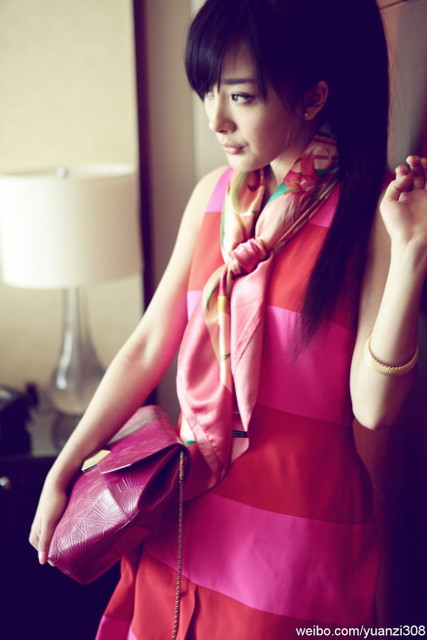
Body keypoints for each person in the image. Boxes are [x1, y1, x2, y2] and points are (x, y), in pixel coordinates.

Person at [30, 0, 427, 637]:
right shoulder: (212, 196)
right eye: (207, 91)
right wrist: (65, 466)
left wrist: (410, 255)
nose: (216, 119)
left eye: (239, 96)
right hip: (182, 521)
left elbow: (373, 409)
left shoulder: (369, 212)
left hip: (294, 546)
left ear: (313, 96)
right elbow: (147, 345)